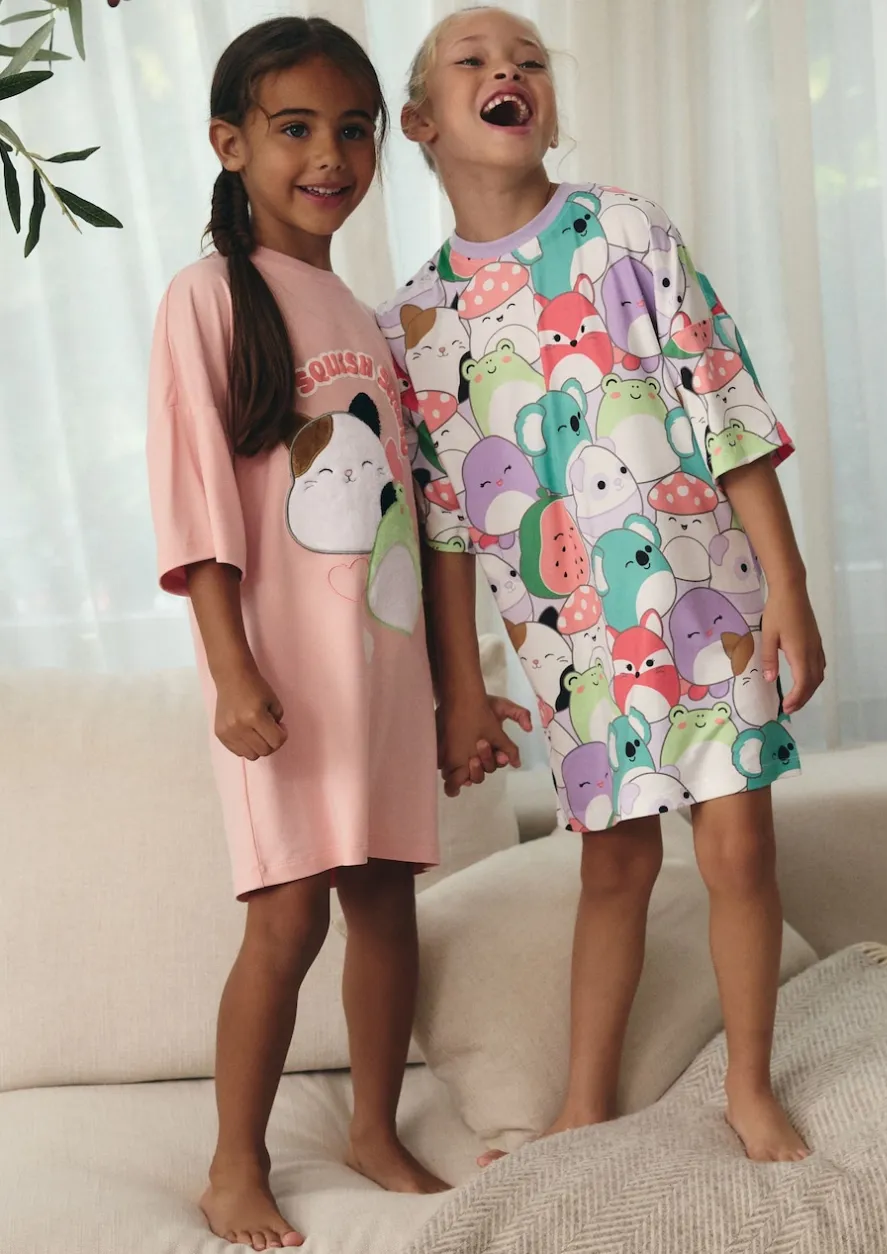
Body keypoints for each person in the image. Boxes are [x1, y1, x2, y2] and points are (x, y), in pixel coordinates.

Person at [379, 4, 826, 1167]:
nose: (509, 71)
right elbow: (444, 531)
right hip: (572, 642)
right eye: (475, 60)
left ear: (546, 104)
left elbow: (726, 409)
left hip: (708, 601)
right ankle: (584, 1107)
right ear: (421, 123)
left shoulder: (625, 230)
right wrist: (460, 693)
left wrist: (788, 587)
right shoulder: (414, 322)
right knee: (615, 865)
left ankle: (747, 1086)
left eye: (528, 59)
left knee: (738, 852)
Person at [147, 17, 526, 1250]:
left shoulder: (370, 316)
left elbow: (418, 517)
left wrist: (455, 693)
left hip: (382, 665)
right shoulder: (208, 297)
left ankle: (372, 1130)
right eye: (296, 128)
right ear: (231, 142)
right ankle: (233, 1166)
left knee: (384, 902)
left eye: (353, 130)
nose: (330, 156)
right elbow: (199, 500)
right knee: (289, 916)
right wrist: (231, 670)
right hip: (281, 676)